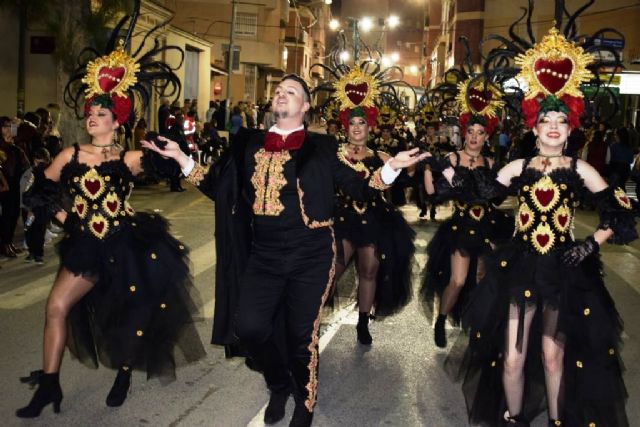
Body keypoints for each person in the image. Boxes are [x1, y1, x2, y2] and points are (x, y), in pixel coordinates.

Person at [143, 74, 426, 427]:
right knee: (249, 328)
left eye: (291, 91)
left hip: (312, 254)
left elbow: (360, 187)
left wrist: (389, 170)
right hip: (263, 255)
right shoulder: (249, 144)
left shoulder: (323, 147)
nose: (281, 94)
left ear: (305, 106)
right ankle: (279, 384)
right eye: (278, 91)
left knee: (300, 334)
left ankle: (304, 404)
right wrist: (181, 159)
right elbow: (221, 187)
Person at [15, 15, 205, 418]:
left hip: (124, 243)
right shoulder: (70, 155)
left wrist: (166, 147)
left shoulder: (127, 158)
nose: (92, 117)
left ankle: (123, 372)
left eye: (100, 113)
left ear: (116, 120)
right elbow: (38, 192)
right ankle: (49, 385)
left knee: (122, 316)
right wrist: (67, 220)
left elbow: (170, 169)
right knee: (55, 307)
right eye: (89, 112)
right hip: (85, 246)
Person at [447, 27, 636, 426]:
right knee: (513, 357)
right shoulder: (518, 167)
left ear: (570, 132)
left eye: (561, 121)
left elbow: (620, 211)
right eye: (546, 119)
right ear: (534, 129)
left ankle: (555, 420)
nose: (553, 126)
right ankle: (513, 418)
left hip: (564, 270)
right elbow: (482, 195)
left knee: (554, 355)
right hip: (520, 266)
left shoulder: (580, 168)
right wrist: (447, 172)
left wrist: (591, 244)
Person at [422, 77, 512, 348]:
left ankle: (477, 327)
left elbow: (497, 198)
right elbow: (431, 194)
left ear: (487, 136)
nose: (474, 137)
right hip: (460, 227)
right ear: (464, 132)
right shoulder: (452, 159)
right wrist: (428, 167)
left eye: (480, 132)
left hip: (488, 225)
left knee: (484, 280)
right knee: (458, 280)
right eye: (470, 131)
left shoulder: (492, 163)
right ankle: (441, 319)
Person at [332, 101, 415, 345]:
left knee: (370, 270)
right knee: (331, 271)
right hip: (344, 219)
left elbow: (398, 181)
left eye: (362, 123)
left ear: (370, 127)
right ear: (345, 127)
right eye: (352, 123)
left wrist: (408, 168)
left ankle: (362, 322)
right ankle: (310, 318)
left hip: (373, 219)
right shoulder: (335, 154)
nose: (357, 128)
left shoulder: (381, 157)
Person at [0, 116, 30, 258]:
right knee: (5, 215)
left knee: (13, 215)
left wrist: (17, 130)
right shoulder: (2, 146)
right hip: (3, 184)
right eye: (5, 126)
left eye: (10, 126)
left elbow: (25, 163)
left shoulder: (16, 145)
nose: (8, 129)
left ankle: (8, 242)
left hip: (15, 184)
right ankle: (4, 244)